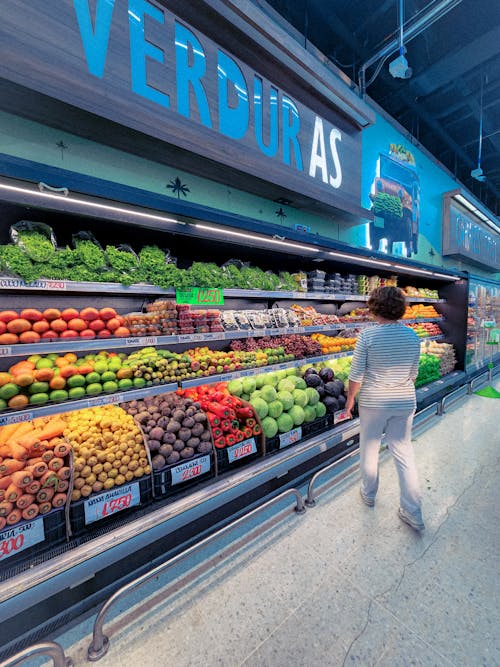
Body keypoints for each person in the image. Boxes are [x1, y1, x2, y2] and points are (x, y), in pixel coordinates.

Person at [345, 286, 424, 531]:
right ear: (401, 308)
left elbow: (356, 375)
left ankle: (369, 495)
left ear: (374, 308)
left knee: (369, 447)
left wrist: (349, 402)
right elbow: (413, 374)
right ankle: (413, 512)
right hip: (404, 400)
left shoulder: (367, 336)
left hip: (374, 401)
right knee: (403, 451)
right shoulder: (412, 336)